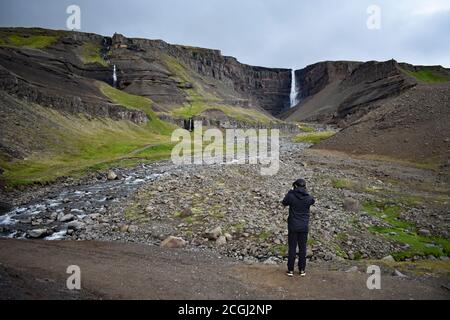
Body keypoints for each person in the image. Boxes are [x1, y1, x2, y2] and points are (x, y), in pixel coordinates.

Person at [281, 178, 315, 277]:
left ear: (295, 186)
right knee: (302, 249)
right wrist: (305, 192)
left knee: (292, 248)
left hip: (293, 226)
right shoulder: (308, 198)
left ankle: (290, 270)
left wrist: (290, 191)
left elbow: (284, 202)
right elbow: (312, 200)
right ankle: (302, 270)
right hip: (304, 226)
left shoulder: (291, 196)